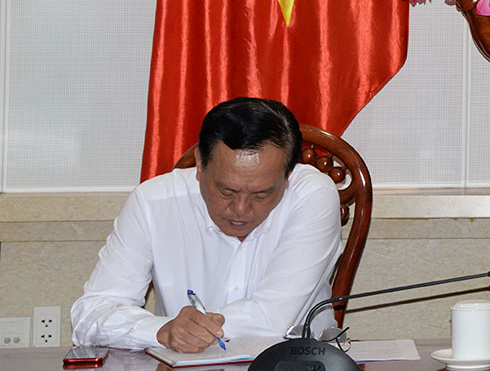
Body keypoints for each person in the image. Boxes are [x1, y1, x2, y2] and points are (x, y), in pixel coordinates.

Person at [71, 98, 342, 352]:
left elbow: (272, 320)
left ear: (287, 176)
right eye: (226, 191)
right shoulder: (153, 202)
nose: (240, 209)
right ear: (200, 164)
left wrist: (197, 329)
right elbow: (91, 313)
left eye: (261, 194)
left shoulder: (312, 194)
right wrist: (164, 331)